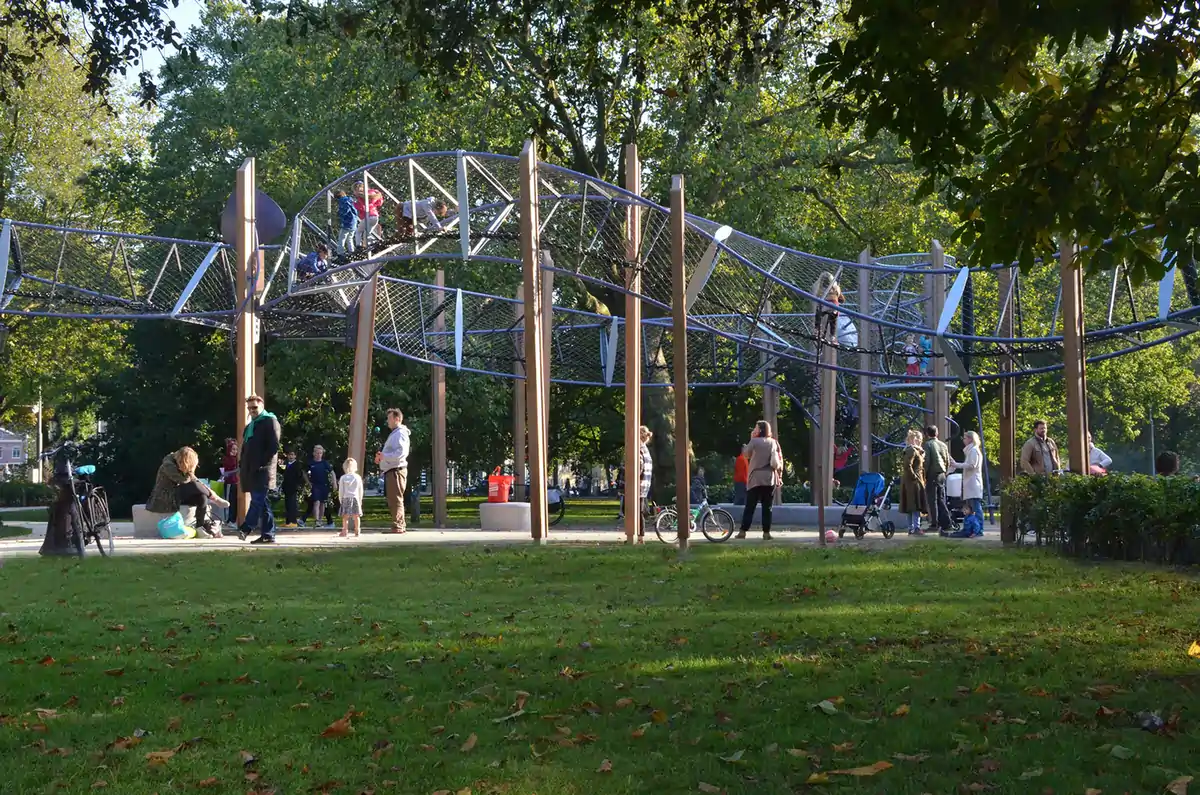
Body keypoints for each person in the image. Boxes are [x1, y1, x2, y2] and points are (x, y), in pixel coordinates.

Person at [148, 446, 228, 538]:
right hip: (166, 497)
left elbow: (194, 480)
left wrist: (207, 490)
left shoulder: (179, 464)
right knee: (193, 484)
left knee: (202, 496)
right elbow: (184, 480)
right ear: (185, 461)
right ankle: (215, 498)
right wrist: (191, 473)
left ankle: (200, 526)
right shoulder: (168, 466)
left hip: (178, 495)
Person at [237, 395, 281, 544]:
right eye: (249, 408)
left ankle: (246, 527)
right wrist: (242, 465)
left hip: (263, 471)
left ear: (261, 405)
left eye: (254, 407)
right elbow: (246, 449)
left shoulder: (270, 421)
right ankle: (268, 535)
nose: (252, 410)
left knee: (257, 500)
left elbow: (273, 447)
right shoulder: (250, 426)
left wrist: (262, 464)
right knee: (263, 503)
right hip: (250, 471)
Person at [737, 420, 783, 541]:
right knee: (767, 507)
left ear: (760, 430)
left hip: (755, 479)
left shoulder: (754, 441)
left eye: (756, 428)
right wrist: (780, 476)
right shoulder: (773, 442)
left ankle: (743, 531)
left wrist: (751, 438)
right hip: (769, 479)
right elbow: (778, 460)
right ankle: (766, 533)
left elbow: (746, 454)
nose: (754, 430)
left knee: (750, 506)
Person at [375, 408, 411, 533]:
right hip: (392, 470)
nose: (387, 421)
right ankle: (399, 524)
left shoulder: (400, 433)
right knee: (393, 499)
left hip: (396, 470)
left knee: (396, 499)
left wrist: (384, 457)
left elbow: (401, 453)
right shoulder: (396, 433)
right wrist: (382, 459)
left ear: (397, 419)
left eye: (389, 418)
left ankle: (398, 526)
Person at [922, 425, 952, 535]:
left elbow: (927, 461)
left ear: (927, 434)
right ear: (937, 433)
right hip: (942, 474)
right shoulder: (943, 445)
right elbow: (947, 460)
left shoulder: (928, 445)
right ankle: (946, 522)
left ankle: (934, 523)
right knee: (941, 498)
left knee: (932, 499)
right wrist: (945, 471)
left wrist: (924, 474)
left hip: (932, 474)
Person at [951, 430, 985, 525]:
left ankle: (979, 528)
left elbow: (972, 465)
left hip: (973, 483)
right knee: (973, 507)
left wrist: (957, 465)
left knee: (976, 507)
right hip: (971, 483)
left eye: (965, 438)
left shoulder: (974, 450)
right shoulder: (971, 450)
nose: (963, 440)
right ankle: (974, 527)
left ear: (970, 439)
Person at [899, 429, 926, 536]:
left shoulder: (915, 450)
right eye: (918, 439)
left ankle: (912, 528)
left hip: (913, 480)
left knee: (911, 505)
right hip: (913, 481)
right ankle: (915, 527)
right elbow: (907, 465)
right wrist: (914, 476)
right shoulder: (911, 450)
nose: (920, 441)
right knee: (914, 504)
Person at [304, 445, 335, 528]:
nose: (318, 455)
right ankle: (317, 520)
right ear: (314, 453)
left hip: (324, 485)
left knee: (322, 503)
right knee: (316, 502)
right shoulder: (311, 463)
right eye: (317, 453)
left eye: (320, 453)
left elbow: (332, 472)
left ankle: (320, 520)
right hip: (315, 485)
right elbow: (305, 473)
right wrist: (308, 483)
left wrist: (334, 483)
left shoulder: (325, 463)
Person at [635, 425, 654, 541]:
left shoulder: (639, 448)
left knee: (637, 511)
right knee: (640, 510)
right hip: (645, 484)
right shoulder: (646, 449)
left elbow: (640, 466)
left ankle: (640, 536)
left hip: (639, 483)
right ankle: (640, 535)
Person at [338, 457, 364, 538]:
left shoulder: (343, 478)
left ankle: (345, 530)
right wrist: (360, 499)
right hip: (355, 497)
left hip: (346, 498)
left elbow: (341, 490)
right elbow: (360, 490)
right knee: (356, 516)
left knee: (345, 517)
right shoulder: (358, 477)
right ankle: (357, 530)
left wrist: (340, 499)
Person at [353, 181, 384, 247]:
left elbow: (360, 208)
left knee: (358, 231)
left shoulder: (359, 197)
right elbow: (380, 203)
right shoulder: (373, 192)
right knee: (367, 233)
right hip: (375, 217)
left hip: (368, 216)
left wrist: (354, 203)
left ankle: (358, 246)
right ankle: (371, 245)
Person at [280, 449, 304, 528]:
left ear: (295, 456)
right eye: (289, 454)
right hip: (287, 487)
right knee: (287, 504)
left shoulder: (297, 465)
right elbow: (284, 473)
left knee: (292, 504)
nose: (291, 456)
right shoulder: (287, 464)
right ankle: (288, 521)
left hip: (293, 487)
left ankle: (293, 521)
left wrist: (298, 485)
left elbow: (300, 476)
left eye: (292, 454)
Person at [220, 439, 239, 524]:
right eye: (233, 449)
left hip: (235, 483)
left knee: (234, 501)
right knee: (229, 501)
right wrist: (236, 470)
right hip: (229, 483)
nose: (235, 451)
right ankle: (229, 519)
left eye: (236, 449)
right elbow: (226, 472)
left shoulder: (237, 459)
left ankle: (232, 519)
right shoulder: (227, 459)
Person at [334, 189, 358, 254]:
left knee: (341, 238)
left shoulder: (343, 201)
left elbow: (345, 211)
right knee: (350, 238)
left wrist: (339, 213)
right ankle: (352, 251)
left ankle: (340, 252)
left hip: (347, 223)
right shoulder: (350, 200)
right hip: (354, 223)